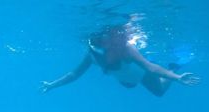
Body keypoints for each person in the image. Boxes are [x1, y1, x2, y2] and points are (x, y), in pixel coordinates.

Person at [41, 25, 200, 97]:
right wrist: (52, 85)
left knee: (159, 92)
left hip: (142, 74)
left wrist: (177, 78)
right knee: (128, 86)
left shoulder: (126, 49)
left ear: (108, 39)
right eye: (94, 42)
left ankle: (174, 68)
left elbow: (150, 67)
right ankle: (171, 71)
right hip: (126, 79)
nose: (99, 45)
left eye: (102, 40)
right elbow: (74, 74)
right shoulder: (91, 54)